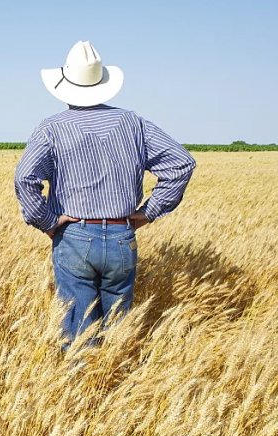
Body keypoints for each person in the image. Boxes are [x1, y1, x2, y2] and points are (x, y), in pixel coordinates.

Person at [14, 41, 196, 351]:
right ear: (102, 83)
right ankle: (115, 384)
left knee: (78, 329)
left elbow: (24, 177)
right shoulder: (134, 123)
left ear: (64, 85)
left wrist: (47, 221)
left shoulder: (51, 128)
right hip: (121, 236)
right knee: (120, 328)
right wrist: (147, 212)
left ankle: (82, 388)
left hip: (73, 236)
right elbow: (181, 164)